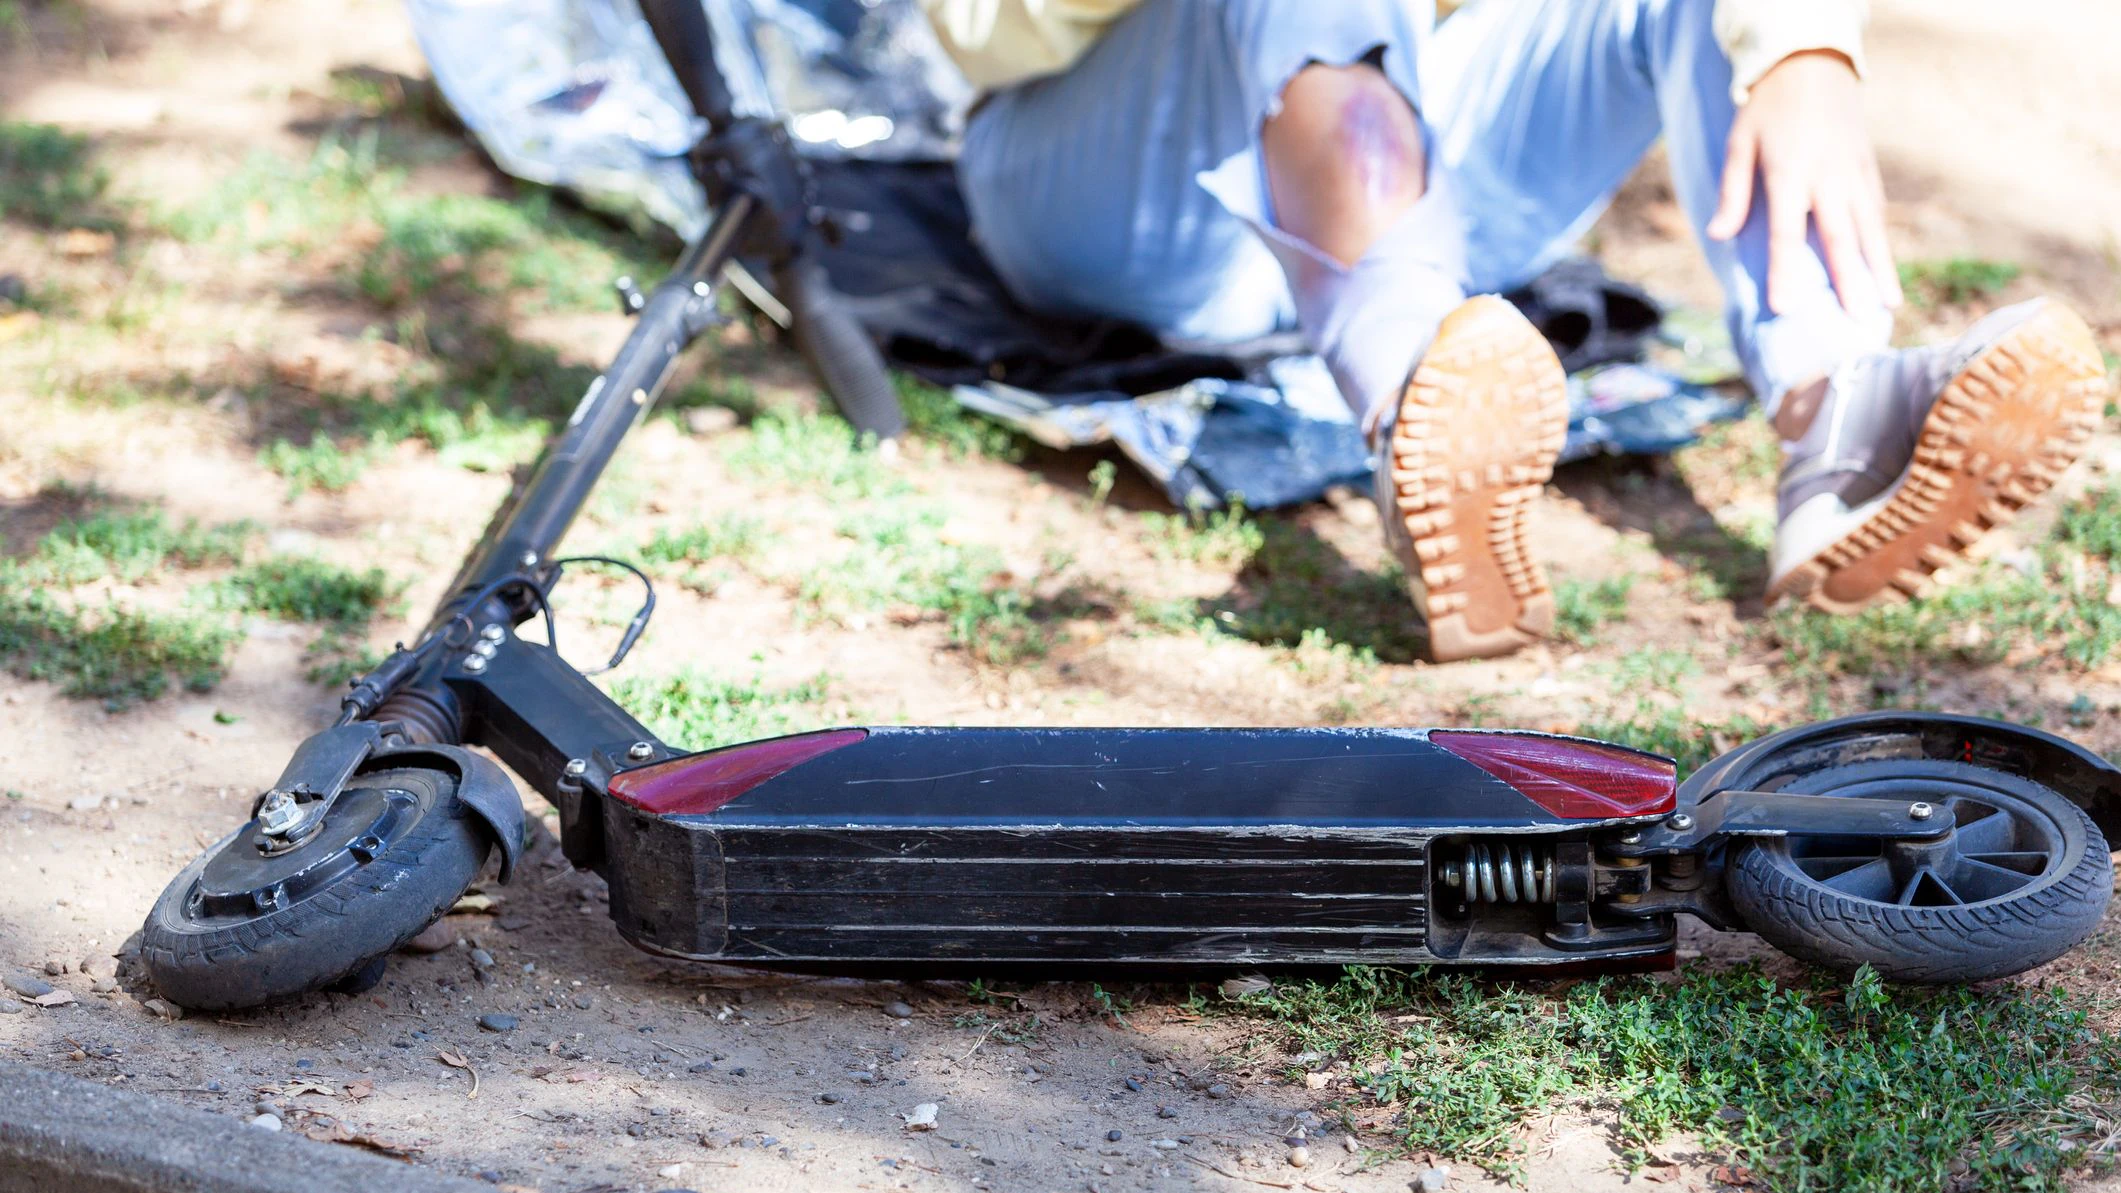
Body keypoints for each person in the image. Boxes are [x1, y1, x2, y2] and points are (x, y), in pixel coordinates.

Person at [915, 0, 2111, 661]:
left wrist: (1800, 45)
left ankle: (1837, 410)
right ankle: (1407, 401)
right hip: (1110, 187)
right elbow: (983, 25)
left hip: (1415, 147)